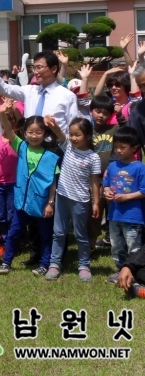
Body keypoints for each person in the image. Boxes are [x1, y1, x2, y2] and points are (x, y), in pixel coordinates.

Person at [0, 111, 60, 277]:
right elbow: (8, 130)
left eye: (38, 132)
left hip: (42, 203)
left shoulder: (51, 156)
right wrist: (3, 113)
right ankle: (6, 262)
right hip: (21, 202)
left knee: (45, 236)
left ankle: (44, 264)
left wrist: (50, 203)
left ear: (45, 134)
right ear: (24, 133)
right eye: (30, 132)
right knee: (14, 232)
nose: (34, 136)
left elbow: (53, 183)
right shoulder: (21, 146)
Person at [45, 116, 102, 282]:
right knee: (58, 233)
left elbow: (94, 182)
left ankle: (84, 265)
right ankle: (54, 264)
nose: (73, 138)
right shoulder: (68, 147)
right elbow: (59, 133)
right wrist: (54, 125)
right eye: (71, 134)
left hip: (80, 201)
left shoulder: (93, 158)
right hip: (62, 197)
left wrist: (96, 202)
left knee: (80, 234)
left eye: (78, 135)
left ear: (88, 136)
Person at [0, 47, 79, 135]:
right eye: (34, 68)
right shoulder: (29, 91)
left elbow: (74, 127)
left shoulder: (67, 96)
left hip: (55, 149)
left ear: (53, 69)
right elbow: (4, 88)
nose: (35, 72)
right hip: (29, 148)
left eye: (39, 67)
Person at [103, 127, 145, 284]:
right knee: (116, 246)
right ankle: (119, 270)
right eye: (116, 147)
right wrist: (106, 192)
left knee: (133, 247)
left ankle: (133, 272)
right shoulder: (113, 166)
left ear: (134, 148)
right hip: (114, 215)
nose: (118, 150)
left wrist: (128, 196)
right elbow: (106, 184)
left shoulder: (140, 168)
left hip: (133, 216)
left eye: (123, 147)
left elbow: (144, 190)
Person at [0, 99, 20, 255]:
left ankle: (13, 241)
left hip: (13, 184)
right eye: (5, 118)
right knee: (1, 215)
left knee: (12, 214)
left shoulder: (19, 142)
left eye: (11, 118)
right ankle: (4, 241)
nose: (8, 121)